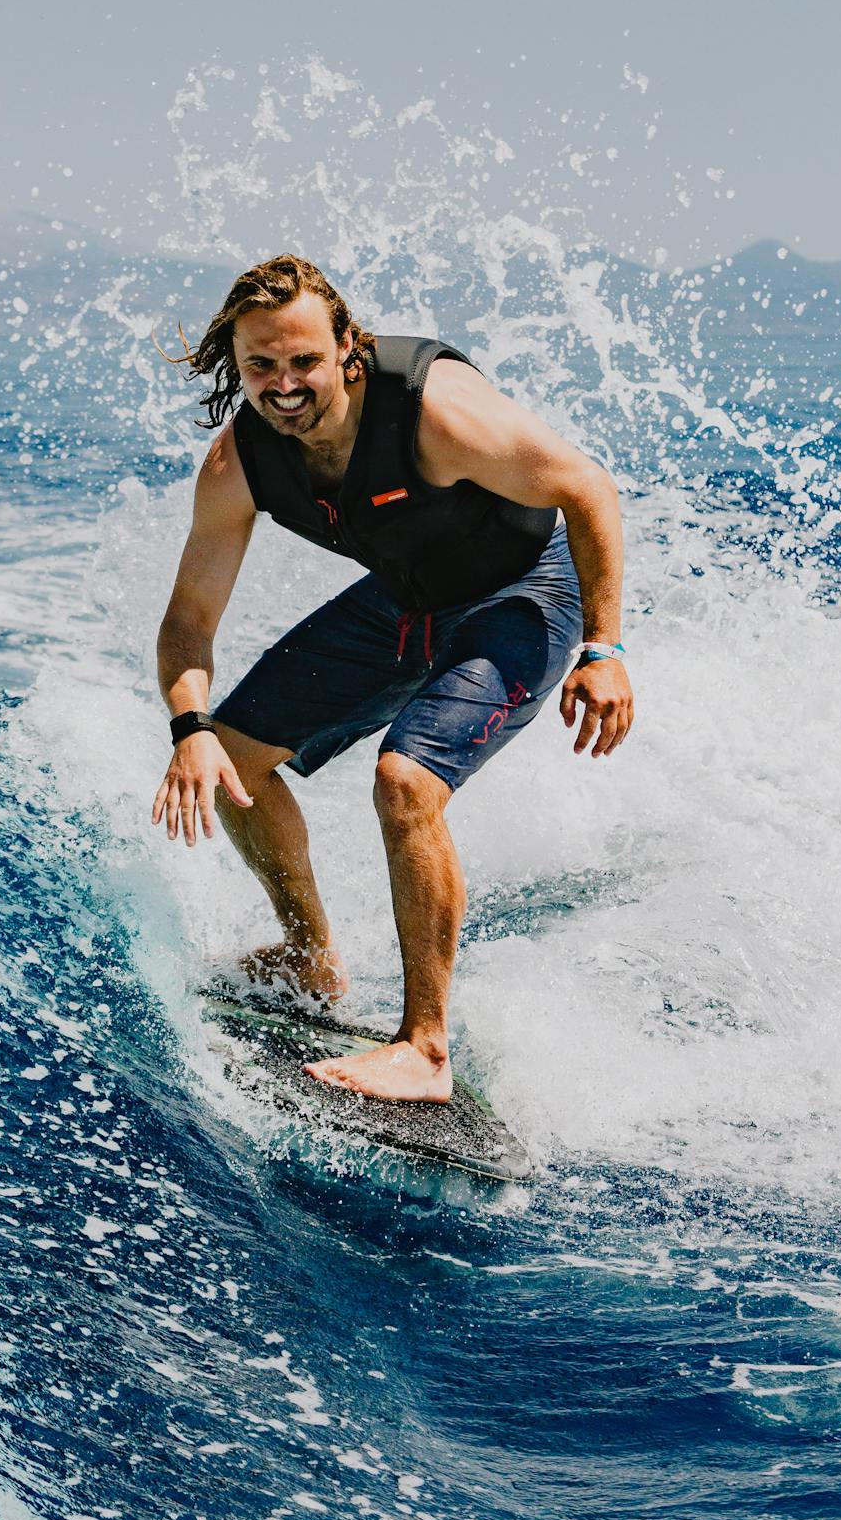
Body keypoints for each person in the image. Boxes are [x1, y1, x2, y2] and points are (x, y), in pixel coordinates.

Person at [152, 254, 633, 1104]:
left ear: (347, 346)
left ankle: (425, 1047)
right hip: (409, 600)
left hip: (522, 593)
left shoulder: (435, 415)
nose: (284, 384)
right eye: (259, 365)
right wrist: (188, 731)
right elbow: (189, 620)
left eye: (303, 360)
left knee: (404, 781)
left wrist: (603, 649)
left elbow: (586, 486)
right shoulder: (241, 464)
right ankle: (310, 959)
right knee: (233, 757)